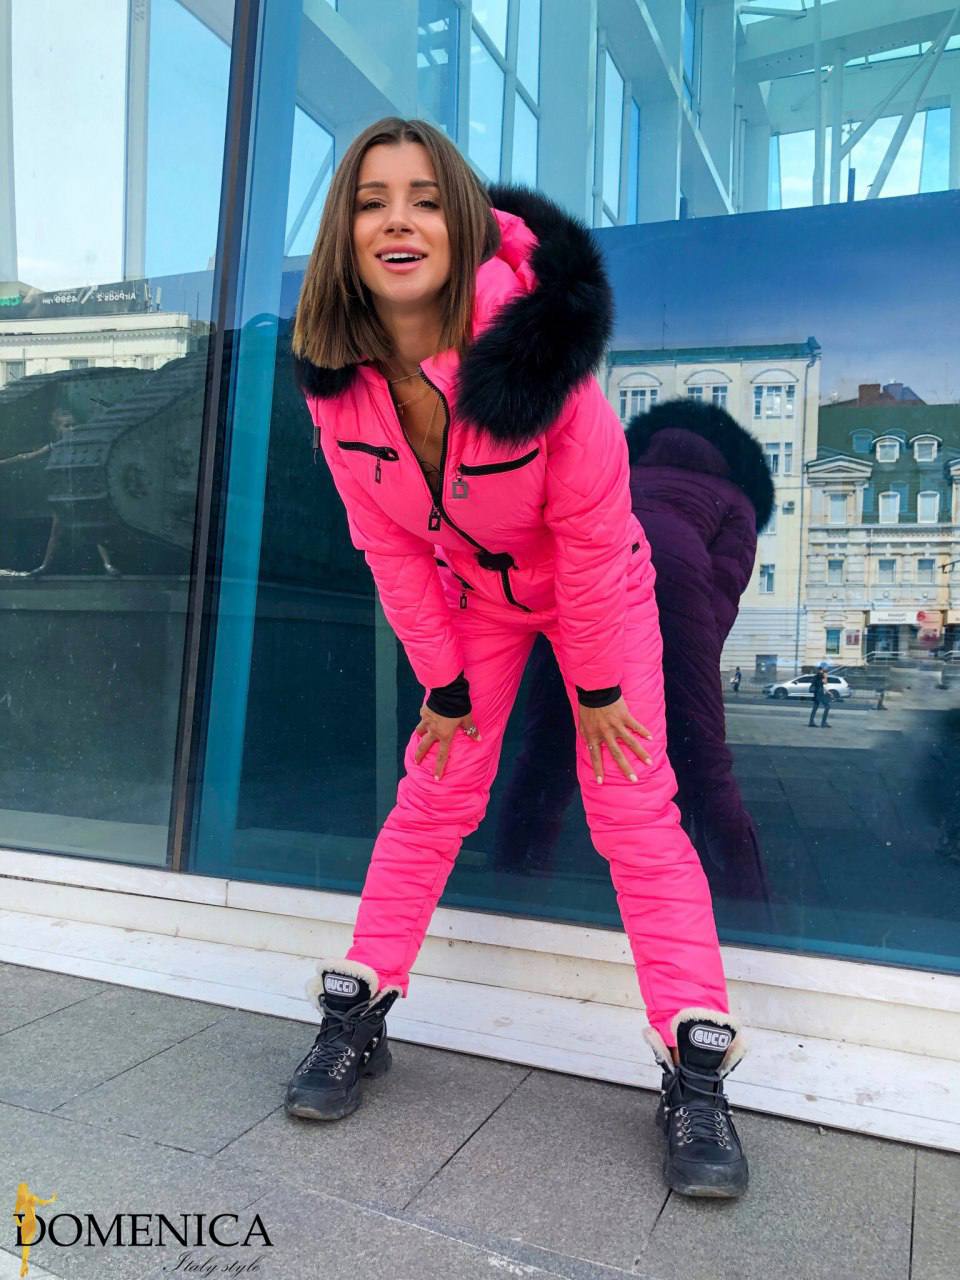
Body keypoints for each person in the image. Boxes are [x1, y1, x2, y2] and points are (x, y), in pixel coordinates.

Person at [286, 116, 749, 1198]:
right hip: (480, 597)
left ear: (461, 225)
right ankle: (358, 1010)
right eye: (369, 199)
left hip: (600, 586)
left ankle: (696, 1065)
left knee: (632, 800)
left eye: (422, 197)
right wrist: (444, 684)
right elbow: (390, 546)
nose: (397, 217)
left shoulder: (542, 369)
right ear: (344, 236)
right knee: (436, 782)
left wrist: (593, 686)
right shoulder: (340, 388)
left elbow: (591, 538)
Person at [624, 399, 774, 907]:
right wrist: (694, 662)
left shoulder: (620, 478)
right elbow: (721, 593)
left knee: (548, 751)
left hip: (589, 586)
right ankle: (747, 912)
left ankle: (521, 879)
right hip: (679, 585)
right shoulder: (735, 499)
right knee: (705, 765)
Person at [808, 662, 832, 728]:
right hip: (819, 693)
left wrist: (828, 691)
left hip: (816, 693)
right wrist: (826, 676)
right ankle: (823, 723)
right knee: (827, 707)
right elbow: (825, 683)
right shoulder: (821, 675)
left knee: (815, 707)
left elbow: (820, 685)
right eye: (826, 667)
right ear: (823, 668)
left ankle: (811, 722)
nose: (827, 669)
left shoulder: (817, 675)